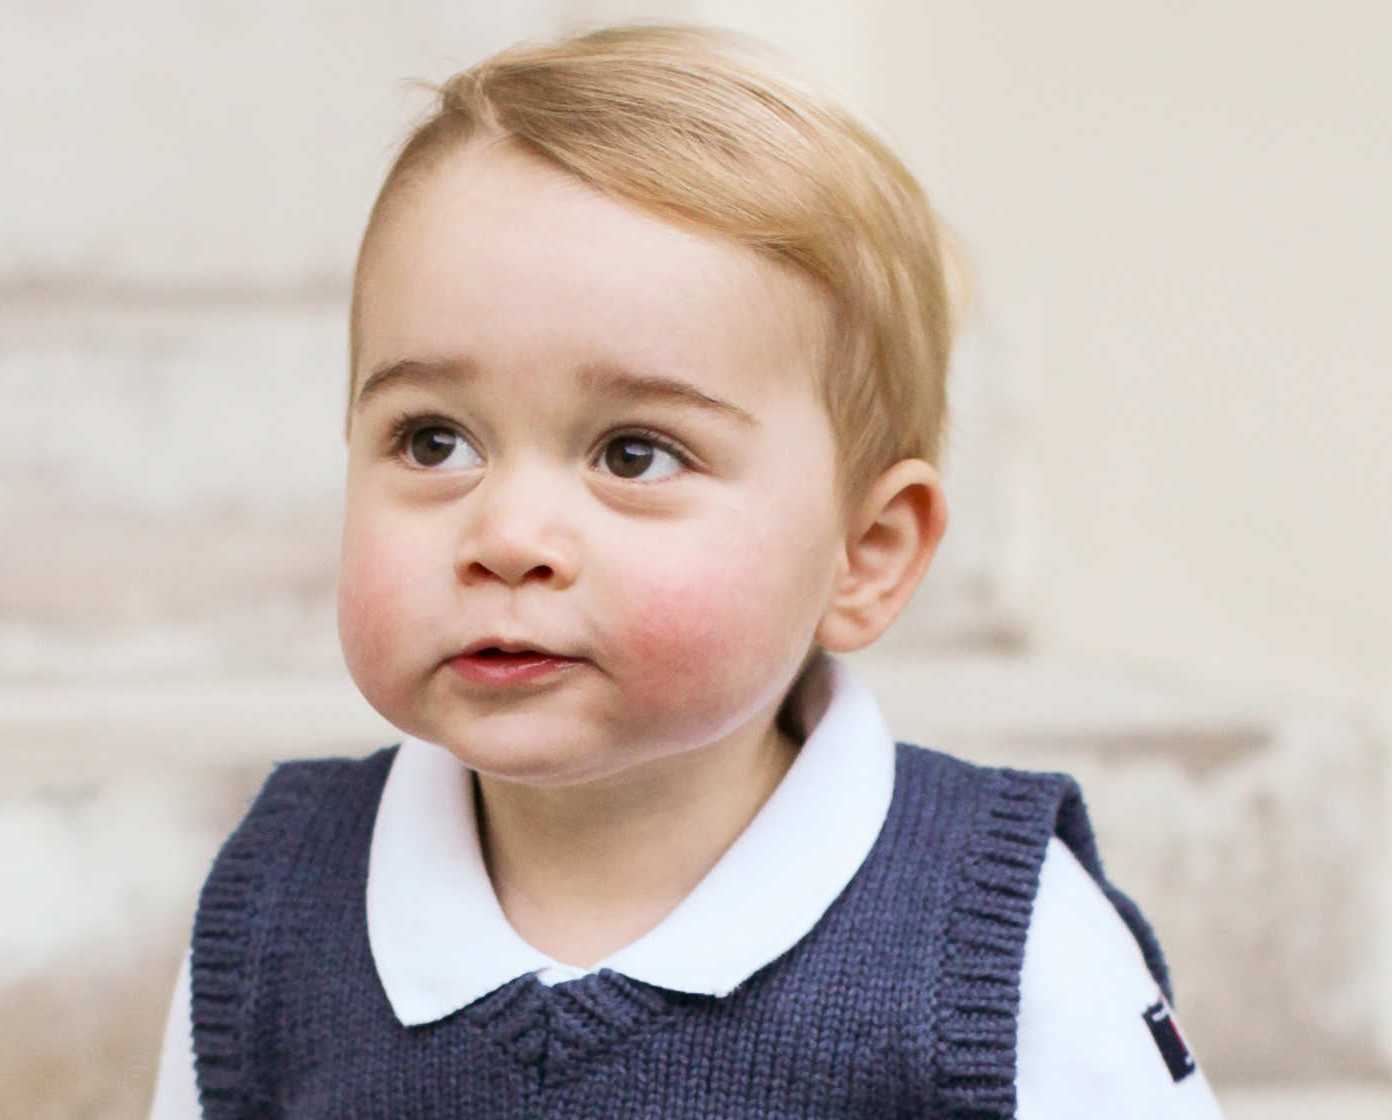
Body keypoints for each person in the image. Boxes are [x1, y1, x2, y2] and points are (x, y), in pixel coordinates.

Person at [149, 23, 1224, 1118]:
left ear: (865, 554)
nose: (507, 532)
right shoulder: (280, 912)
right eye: (435, 440)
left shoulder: (995, 944)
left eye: (634, 453)